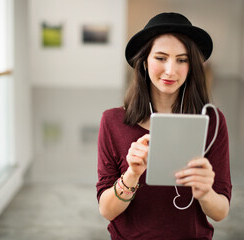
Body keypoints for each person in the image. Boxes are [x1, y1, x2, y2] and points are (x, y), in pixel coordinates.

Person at [96, 12, 231, 240]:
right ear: (144, 63)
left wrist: (205, 191)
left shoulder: (212, 122)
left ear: (192, 66)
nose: (170, 70)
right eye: (160, 58)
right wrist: (132, 174)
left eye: (182, 59)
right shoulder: (112, 122)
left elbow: (220, 212)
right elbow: (106, 210)